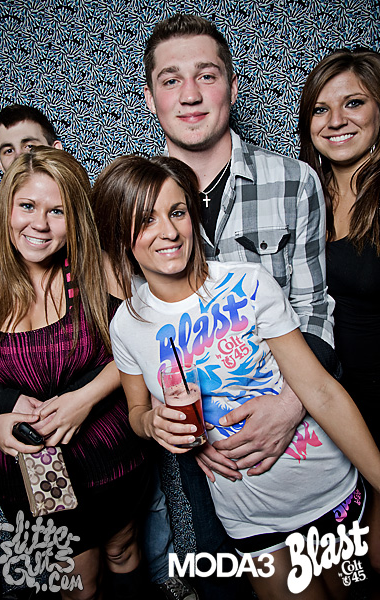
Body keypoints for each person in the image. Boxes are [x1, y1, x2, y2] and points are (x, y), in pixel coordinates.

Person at [97, 154, 380, 600]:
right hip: (251, 517)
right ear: (119, 235)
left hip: (327, 490)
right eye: (146, 220)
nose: (169, 232)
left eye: (177, 212)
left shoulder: (249, 283)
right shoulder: (127, 325)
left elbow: (321, 391)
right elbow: (136, 410)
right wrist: (151, 423)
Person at [140, 14, 338, 595]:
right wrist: (186, 430)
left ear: (231, 85)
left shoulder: (293, 181)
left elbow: (314, 306)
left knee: (344, 578)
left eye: (207, 75)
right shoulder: (133, 202)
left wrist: (292, 404)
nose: (191, 94)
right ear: (151, 98)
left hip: (308, 439)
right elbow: (142, 330)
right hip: (213, 462)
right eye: (171, 79)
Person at [0, 146, 149, 600]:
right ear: (7, 206)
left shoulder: (97, 266)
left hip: (108, 451)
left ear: (74, 217)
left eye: (56, 211)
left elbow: (142, 349)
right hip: (29, 468)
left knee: (123, 550)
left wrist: (84, 398)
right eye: (27, 206)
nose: (39, 224)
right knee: (78, 585)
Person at [298, 47, 380, 593]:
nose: (335, 121)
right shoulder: (305, 193)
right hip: (322, 406)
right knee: (336, 564)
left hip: (378, 400)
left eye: (353, 103)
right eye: (320, 109)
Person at [0, 104, 63, 244]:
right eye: (8, 151)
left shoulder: (90, 235)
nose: (20, 157)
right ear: (0, 164)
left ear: (56, 150)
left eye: (30, 146)